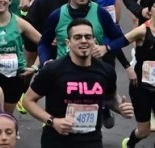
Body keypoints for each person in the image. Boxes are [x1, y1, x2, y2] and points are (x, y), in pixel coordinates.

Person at [23, 18, 134, 147]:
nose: (83, 41)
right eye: (77, 37)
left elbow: (111, 99)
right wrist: (52, 121)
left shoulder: (106, 71)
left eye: (88, 37)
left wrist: (121, 108)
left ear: (94, 41)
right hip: (57, 141)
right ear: (68, 43)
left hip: (92, 141)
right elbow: (28, 101)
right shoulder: (53, 70)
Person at [116, 0, 155, 147]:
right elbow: (115, 45)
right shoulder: (142, 31)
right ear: (150, 10)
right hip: (141, 87)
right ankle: (130, 143)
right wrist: (127, 66)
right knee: (144, 131)